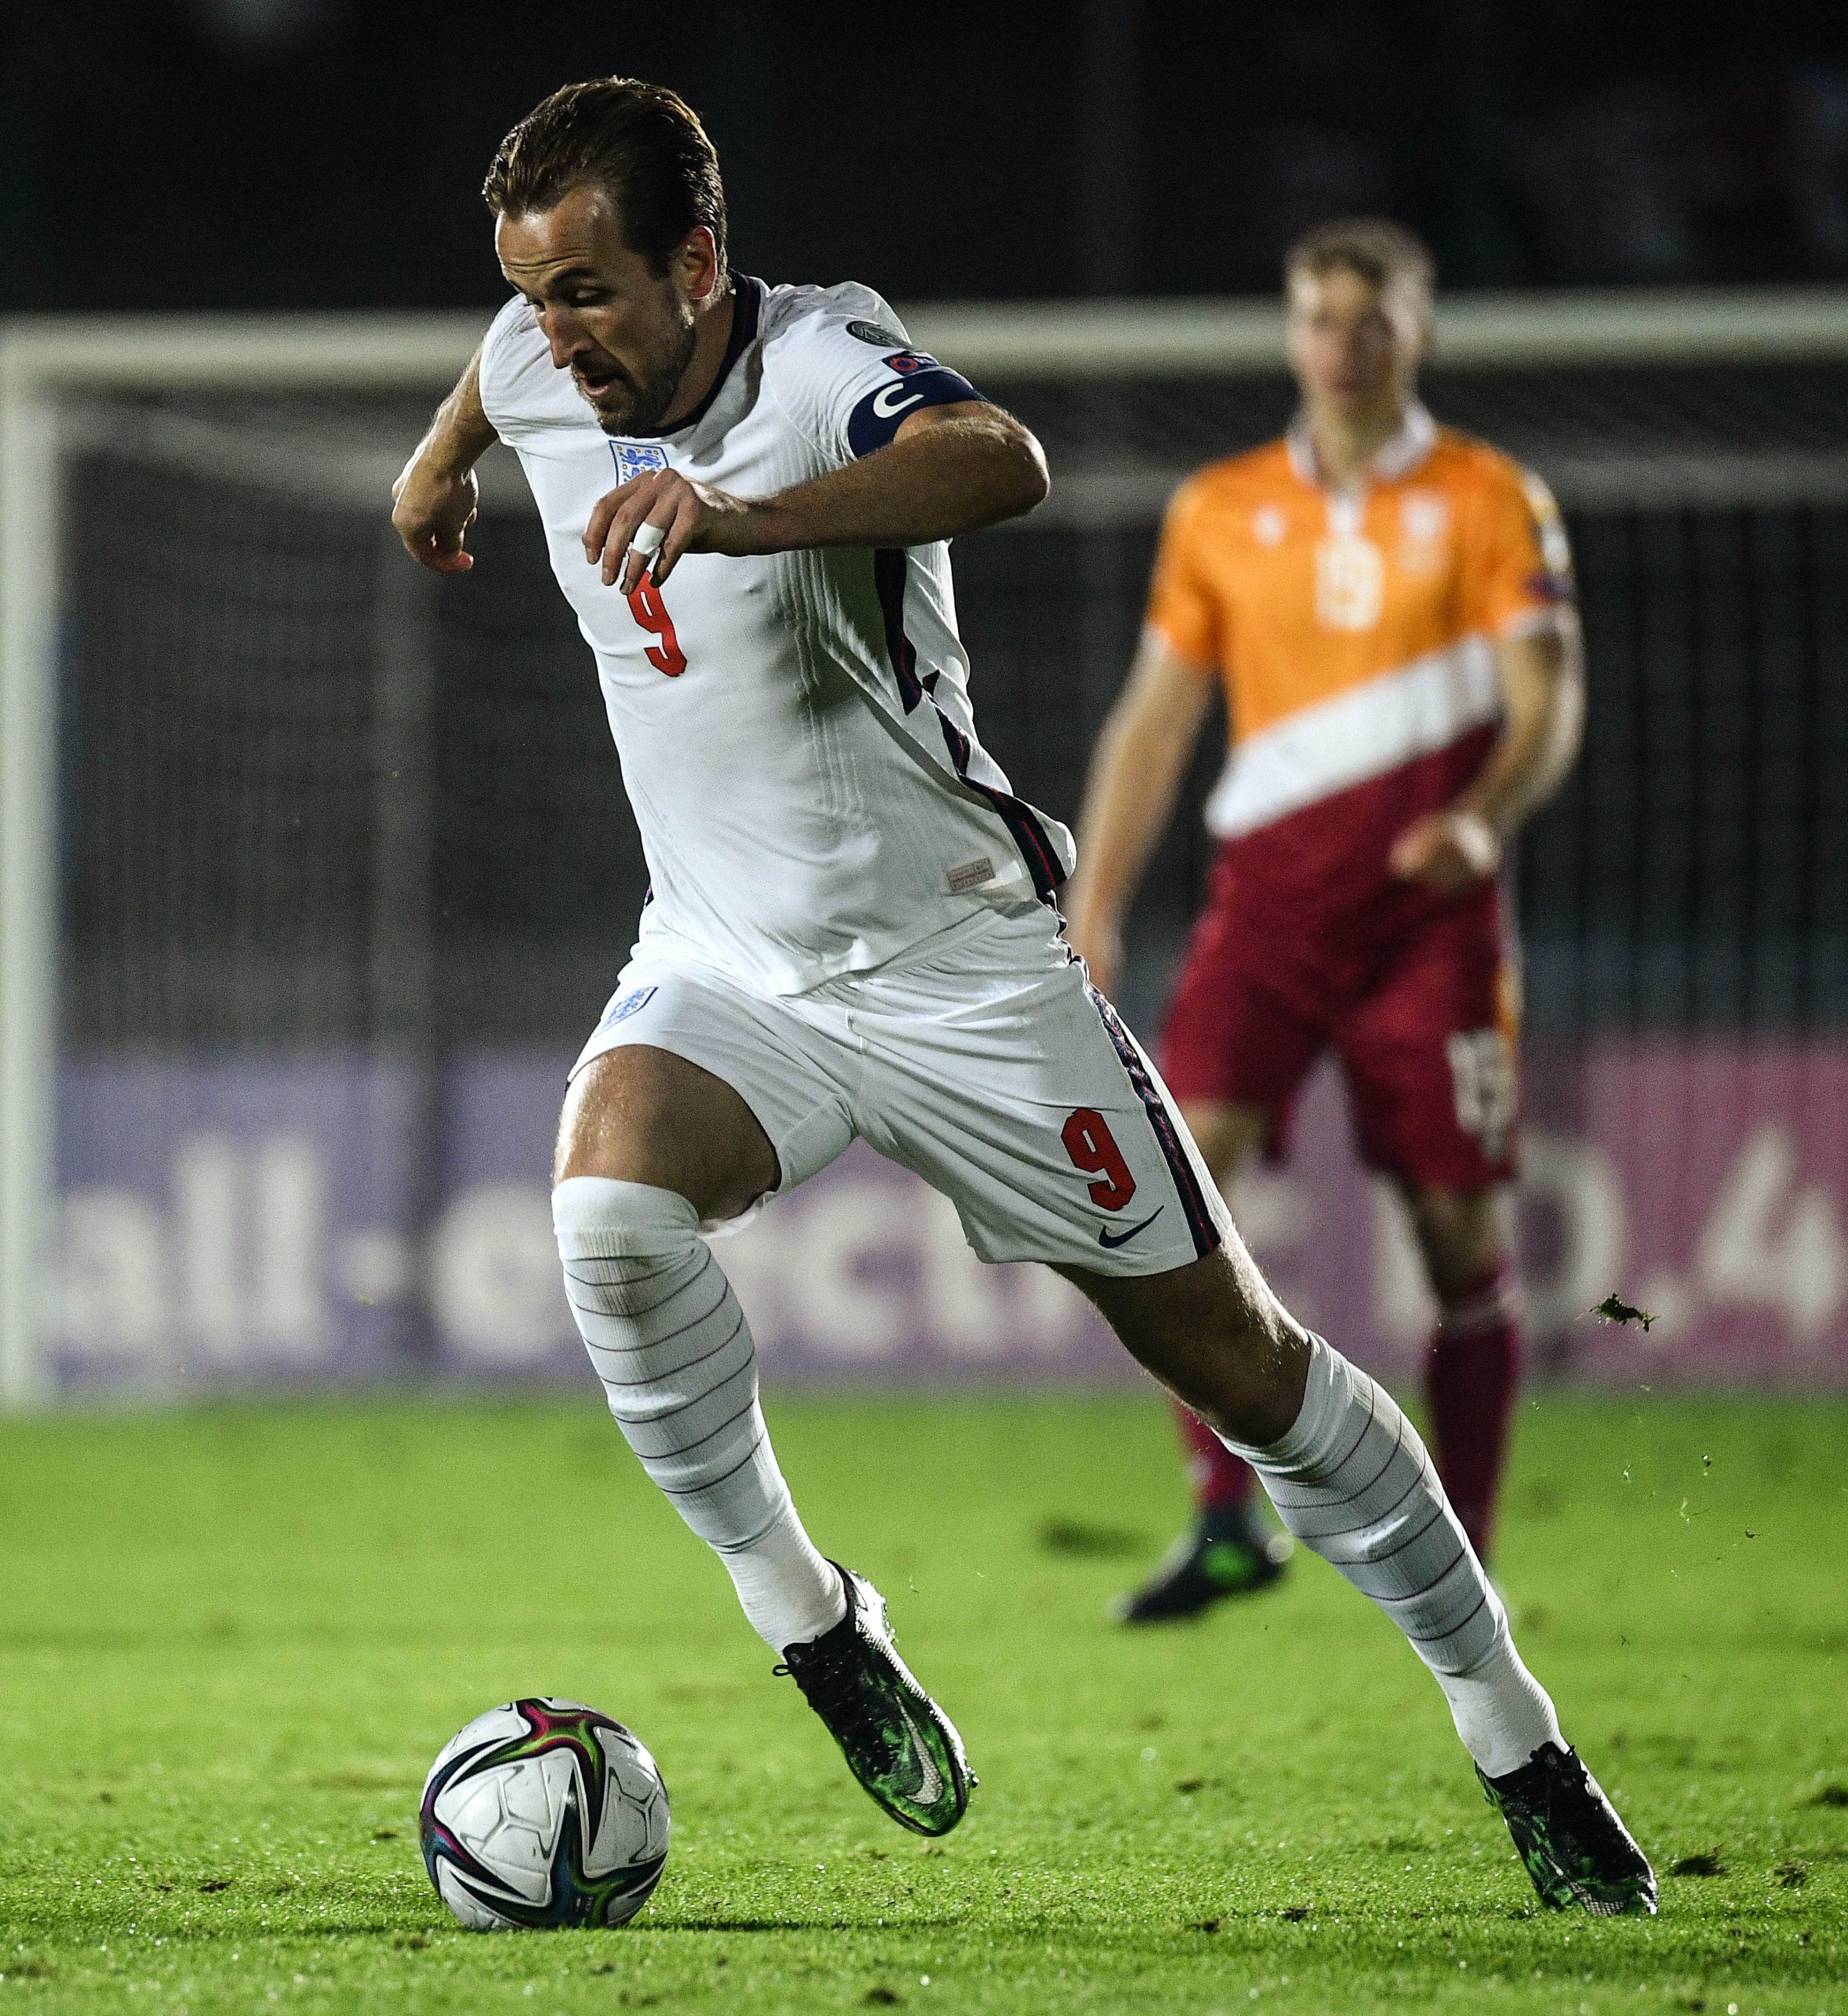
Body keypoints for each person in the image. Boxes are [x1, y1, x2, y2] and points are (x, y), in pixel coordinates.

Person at [390, 77, 1648, 1913]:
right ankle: (815, 1626)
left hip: (965, 971)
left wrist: (743, 519)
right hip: (729, 962)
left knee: (1244, 1364)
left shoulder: (823, 363)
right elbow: (499, 361)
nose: (555, 333)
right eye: (533, 292)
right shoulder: (530, 352)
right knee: (605, 1209)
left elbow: (1004, 461)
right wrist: (442, 457)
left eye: (592, 289)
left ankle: (1517, 1737)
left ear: (703, 265)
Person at [1063, 219, 1582, 1627]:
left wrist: (1484, 811)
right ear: (1289, 334)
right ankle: (1228, 1519)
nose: (1343, 347)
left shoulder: (1488, 499)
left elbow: (1548, 698)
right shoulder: (1221, 510)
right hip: (1270, 917)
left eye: (1373, 318)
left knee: (1461, 1240)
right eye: (1319, 318)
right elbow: (1156, 722)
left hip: (1430, 924)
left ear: (1419, 330)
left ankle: (1460, 1561)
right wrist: (1094, 901)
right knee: (1170, 1198)